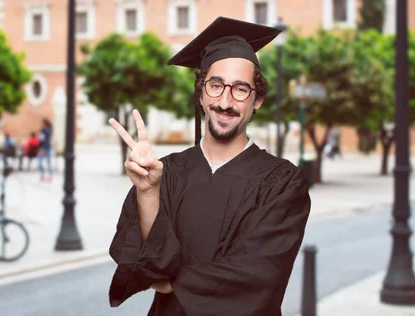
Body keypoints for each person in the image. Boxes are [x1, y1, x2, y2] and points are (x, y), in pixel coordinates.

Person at [107, 17, 311, 316]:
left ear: (258, 100)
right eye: (216, 86)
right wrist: (149, 193)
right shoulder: (165, 172)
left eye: (240, 89)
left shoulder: (281, 182)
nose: (225, 102)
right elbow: (143, 265)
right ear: (201, 93)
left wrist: (173, 283)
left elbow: (260, 273)